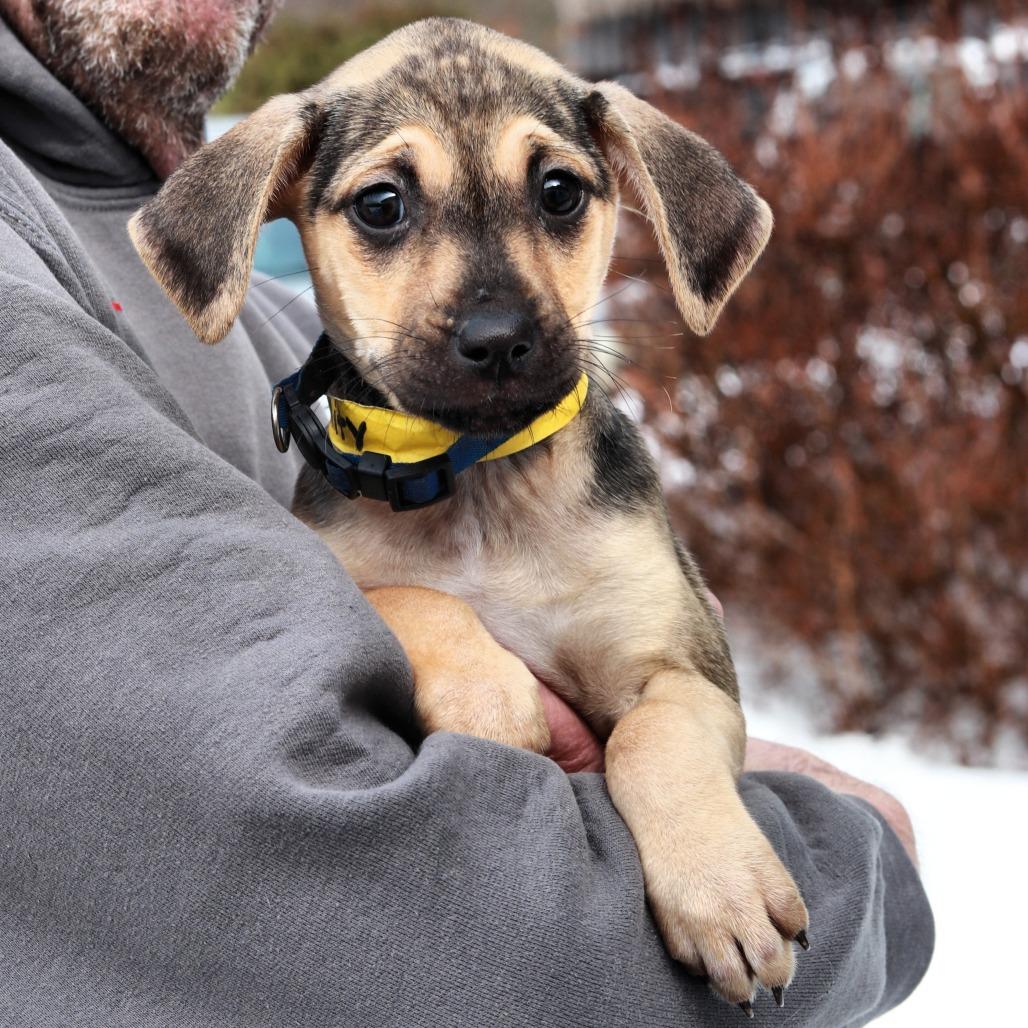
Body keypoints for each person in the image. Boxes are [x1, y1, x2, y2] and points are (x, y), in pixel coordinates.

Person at [0, 2, 933, 1025]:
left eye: (555, 196)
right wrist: (425, 629)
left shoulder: (596, 502)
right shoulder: (321, 492)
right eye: (387, 210)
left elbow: (683, 688)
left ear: (635, 193)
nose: (490, 309)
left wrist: (676, 771)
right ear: (280, 200)